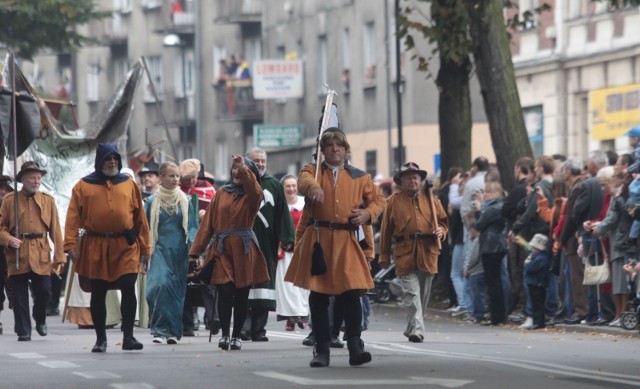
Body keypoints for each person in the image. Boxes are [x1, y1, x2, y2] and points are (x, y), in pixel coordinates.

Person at [285, 127, 386, 368]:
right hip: (319, 241)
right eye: (330, 145)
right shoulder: (313, 171)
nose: (335, 149)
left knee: (351, 294)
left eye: (339, 145)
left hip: (347, 241)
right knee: (318, 297)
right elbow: (303, 181)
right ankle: (321, 349)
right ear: (323, 150)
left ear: (345, 149)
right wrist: (314, 188)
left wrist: (367, 213)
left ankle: (355, 345)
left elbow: (380, 200)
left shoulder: (360, 177)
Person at [64, 143, 151, 353]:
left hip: (125, 245)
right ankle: (100, 339)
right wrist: (69, 244)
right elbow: (73, 217)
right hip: (96, 245)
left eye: (115, 159)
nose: (112, 162)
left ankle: (128, 337)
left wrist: (146, 248)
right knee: (99, 290)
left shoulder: (129, 184)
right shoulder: (83, 186)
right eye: (107, 159)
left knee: (129, 286)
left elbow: (140, 218)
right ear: (99, 162)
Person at [189, 155, 269, 351]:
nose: (236, 172)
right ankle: (225, 334)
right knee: (224, 291)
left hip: (244, 249)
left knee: (242, 295)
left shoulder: (253, 196)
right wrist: (195, 252)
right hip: (222, 249)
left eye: (241, 169)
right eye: (234, 168)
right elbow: (207, 224)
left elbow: (255, 190)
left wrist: (244, 169)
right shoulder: (221, 193)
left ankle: (236, 336)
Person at [379, 162, 448, 343]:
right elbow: (385, 231)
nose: (413, 180)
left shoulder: (432, 200)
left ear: (421, 180)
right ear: (401, 181)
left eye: (416, 177)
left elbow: (443, 222)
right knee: (411, 293)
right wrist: (384, 255)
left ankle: (412, 327)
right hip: (405, 252)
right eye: (408, 177)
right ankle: (418, 329)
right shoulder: (393, 201)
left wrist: (442, 231)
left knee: (423, 295)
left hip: (428, 251)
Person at [0, 162, 66, 341]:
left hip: (41, 251)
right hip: (18, 253)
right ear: (22, 179)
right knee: (19, 294)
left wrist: (59, 256)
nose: (36, 181)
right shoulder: (9, 200)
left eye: (38, 177)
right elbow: (1, 227)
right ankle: (23, 330)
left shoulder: (48, 200)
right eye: (32, 177)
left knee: (43, 291)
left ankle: (40, 317)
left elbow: (55, 231)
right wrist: (7, 239)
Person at [242, 147, 295, 342]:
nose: (261, 164)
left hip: (267, 244)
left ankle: (259, 330)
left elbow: (283, 214)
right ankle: (244, 328)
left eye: (263, 161)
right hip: (245, 242)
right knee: (246, 284)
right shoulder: (241, 184)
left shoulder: (273, 185)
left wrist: (288, 238)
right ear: (248, 163)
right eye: (256, 161)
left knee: (264, 286)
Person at [144, 162, 198, 344]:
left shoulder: (185, 200)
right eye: (171, 176)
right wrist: (143, 251)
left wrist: (195, 251)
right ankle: (159, 329)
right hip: (158, 249)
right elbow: (143, 228)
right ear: (161, 178)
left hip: (179, 252)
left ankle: (172, 332)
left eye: (177, 176)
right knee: (159, 286)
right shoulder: (151, 202)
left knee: (175, 291)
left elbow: (191, 227)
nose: (176, 179)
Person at [275, 174, 309, 331]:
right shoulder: (279, 205)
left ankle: (302, 315)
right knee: (288, 286)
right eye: (288, 186)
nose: (291, 189)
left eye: (293, 186)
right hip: (286, 250)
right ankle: (291, 317)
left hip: (303, 249)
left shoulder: (305, 203)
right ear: (283, 188)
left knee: (303, 286)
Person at [473, 181, 508, 325]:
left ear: (495, 194)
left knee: (493, 282)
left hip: (491, 246)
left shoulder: (494, 208)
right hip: (495, 246)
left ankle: (497, 316)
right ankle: (497, 315)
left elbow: (479, 224)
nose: (484, 195)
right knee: (495, 281)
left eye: (487, 193)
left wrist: (478, 209)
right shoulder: (497, 206)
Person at [523, 234, 551, 330]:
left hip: (537, 283)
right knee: (535, 303)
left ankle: (539, 322)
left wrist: (526, 264)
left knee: (538, 303)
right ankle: (536, 321)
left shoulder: (540, 258)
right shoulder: (537, 257)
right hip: (534, 283)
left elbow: (531, 268)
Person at [0, 175, 14, 334]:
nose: (3, 192)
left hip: (10, 249)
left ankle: (20, 321)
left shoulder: (12, 205)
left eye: (5, 189)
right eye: (0, 189)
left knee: (13, 284)